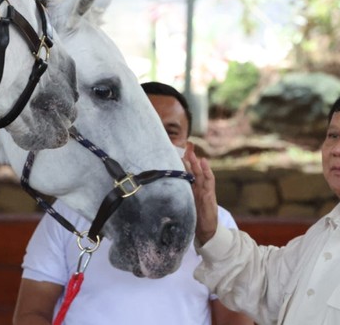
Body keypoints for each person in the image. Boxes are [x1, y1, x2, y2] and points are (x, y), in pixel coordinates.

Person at [185, 84, 340, 324]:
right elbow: (264, 282)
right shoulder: (324, 232)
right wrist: (209, 228)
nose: (338, 149)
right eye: (332, 136)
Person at [13, 82, 253, 325]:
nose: (157, 141)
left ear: (188, 149)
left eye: (170, 131)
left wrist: (210, 236)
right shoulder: (69, 215)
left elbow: (236, 317)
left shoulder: (216, 224)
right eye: (144, 126)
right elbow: (32, 314)